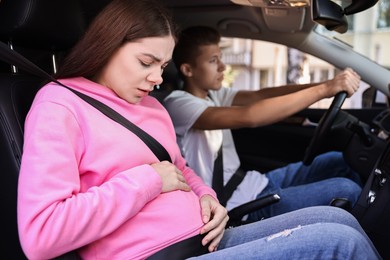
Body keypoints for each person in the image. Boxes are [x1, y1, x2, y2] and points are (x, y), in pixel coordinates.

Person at [17, 1, 380, 259]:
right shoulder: (59, 105)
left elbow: (180, 168)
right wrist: (148, 181)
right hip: (157, 253)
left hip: (204, 237)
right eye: (146, 62)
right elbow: (41, 235)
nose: (157, 78)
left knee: (336, 217)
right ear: (107, 46)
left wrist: (207, 197)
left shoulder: (151, 106)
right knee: (339, 242)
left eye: (162, 65)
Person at [164, 26, 363, 220]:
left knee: (340, 160)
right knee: (347, 190)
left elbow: (260, 96)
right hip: (237, 203)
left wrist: (325, 85)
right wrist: (326, 89)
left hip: (254, 183)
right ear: (188, 70)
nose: (222, 67)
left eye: (221, 58)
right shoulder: (178, 104)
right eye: (213, 60)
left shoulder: (214, 95)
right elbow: (249, 116)